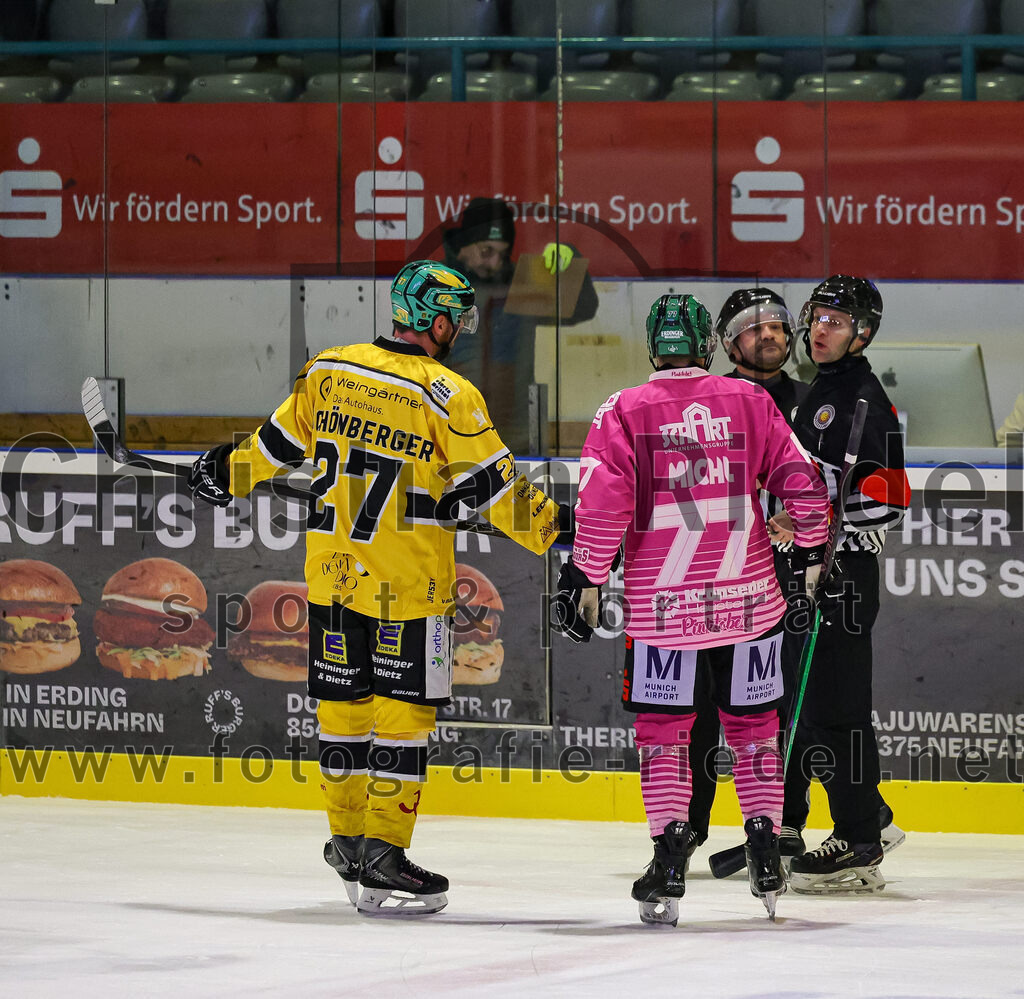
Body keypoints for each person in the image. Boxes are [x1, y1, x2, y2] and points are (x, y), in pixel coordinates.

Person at [188, 259, 572, 916]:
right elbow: (502, 495)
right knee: (403, 718)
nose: (462, 329)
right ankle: (384, 852)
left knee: (343, 711)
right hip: (409, 586)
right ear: (440, 321)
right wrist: (563, 530)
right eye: (458, 317)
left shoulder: (330, 370)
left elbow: (270, 448)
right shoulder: (447, 395)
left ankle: (345, 839)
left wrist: (225, 471)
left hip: (333, 579)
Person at [551, 293, 831, 924]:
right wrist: (813, 550)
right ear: (707, 343)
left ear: (652, 346)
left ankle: (671, 859)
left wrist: (585, 576)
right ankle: (765, 848)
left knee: (664, 737)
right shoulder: (752, 402)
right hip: (751, 600)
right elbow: (802, 481)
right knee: (756, 729)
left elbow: (601, 507)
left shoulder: (622, 410)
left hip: (662, 614)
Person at [773, 275, 912, 895]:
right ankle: (868, 818)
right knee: (816, 711)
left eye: (836, 319)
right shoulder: (820, 392)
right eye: (817, 316)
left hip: (841, 575)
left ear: (865, 333)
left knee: (839, 711)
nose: (820, 328)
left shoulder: (862, 402)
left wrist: (812, 521)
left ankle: (859, 837)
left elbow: (887, 504)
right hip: (812, 572)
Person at [682, 287, 811, 857]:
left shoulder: (814, 400)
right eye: (755, 328)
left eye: (780, 326)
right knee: (698, 707)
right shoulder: (710, 399)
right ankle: (689, 824)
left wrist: (809, 514)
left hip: (783, 575)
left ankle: (784, 824)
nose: (771, 336)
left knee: (780, 707)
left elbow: (820, 485)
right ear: (727, 342)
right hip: (714, 576)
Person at [442, 197, 599, 455]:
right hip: (450, 431)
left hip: (513, 436)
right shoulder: (437, 289)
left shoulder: (521, 283)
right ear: (463, 247)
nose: (494, 263)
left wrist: (570, 263)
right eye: (486, 251)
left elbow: (581, 310)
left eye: (502, 254)